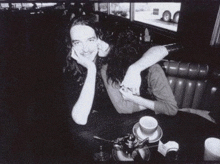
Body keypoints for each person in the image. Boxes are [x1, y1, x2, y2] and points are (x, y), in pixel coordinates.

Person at [63, 15, 170, 125]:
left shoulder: (109, 55)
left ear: (99, 39)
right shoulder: (70, 70)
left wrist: (135, 68)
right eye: (77, 42)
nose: (85, 49)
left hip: (131, 121)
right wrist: (91, 69)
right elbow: (80, 119)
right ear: (71, 46)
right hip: (97, 128)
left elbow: (161, 50)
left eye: (90, 40)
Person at [101, 29, 178, 115]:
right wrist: (156, 104)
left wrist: (133, 98)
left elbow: (171, 109)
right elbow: (122, 107)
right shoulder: (107, 68)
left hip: (152, 119)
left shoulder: (153, 69)